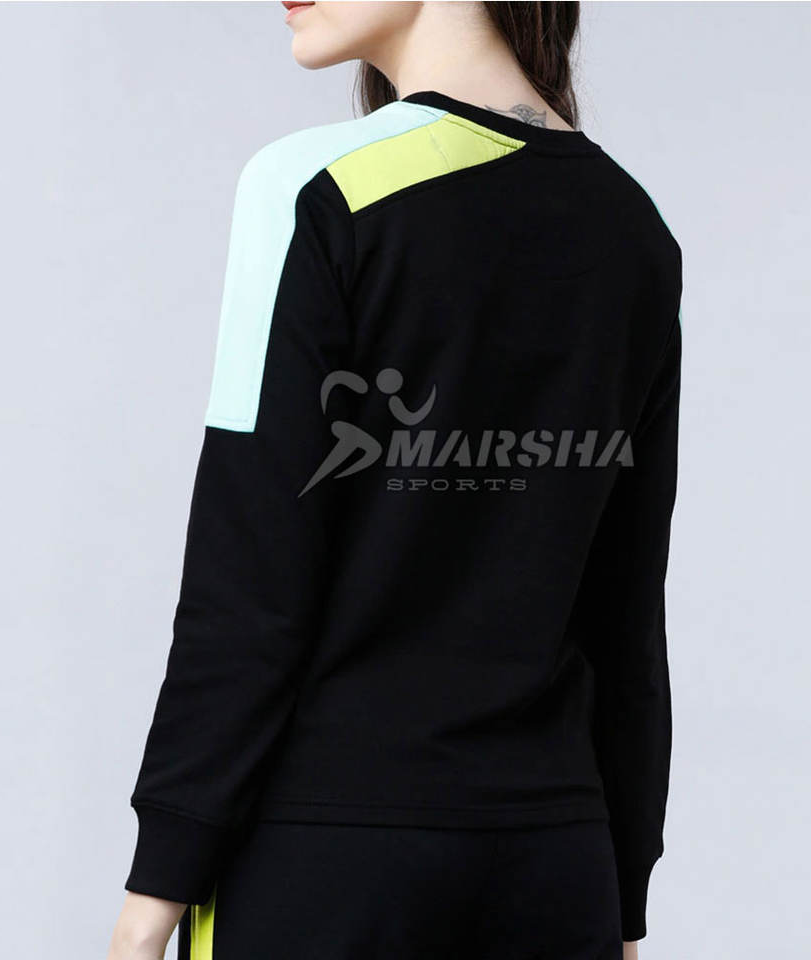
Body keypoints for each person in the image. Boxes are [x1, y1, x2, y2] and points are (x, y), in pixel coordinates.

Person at [106, 3, 682, 959]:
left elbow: (250, 576)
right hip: (559, 863)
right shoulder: (635, 227)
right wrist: (621, 906)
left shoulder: (317, 184)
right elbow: (626, 615)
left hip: (331, 863)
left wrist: (156, 884)